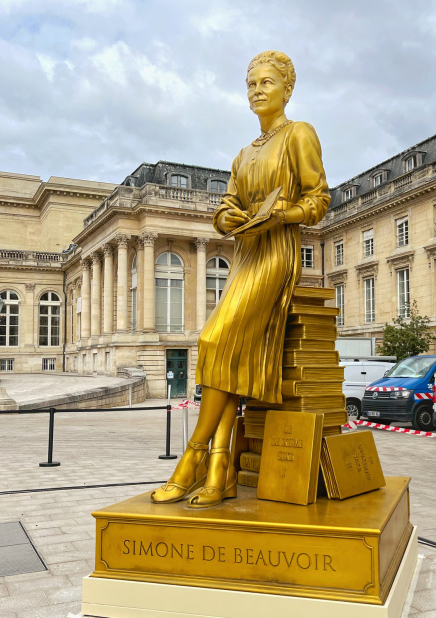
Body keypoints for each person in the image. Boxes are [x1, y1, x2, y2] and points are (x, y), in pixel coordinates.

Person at [151, 51, 330, 508]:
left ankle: (190, 458)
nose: (256, 90)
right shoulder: (242, 154)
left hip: (276, 252)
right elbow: (224, 206)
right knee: (229, 362)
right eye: (251, 84)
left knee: (213, 340)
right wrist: (228, 218)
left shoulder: (299, 135)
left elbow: (318, 199)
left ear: (287, 89)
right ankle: (220, 472)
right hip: (245, 252)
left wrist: (283, 214)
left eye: (266, 82)